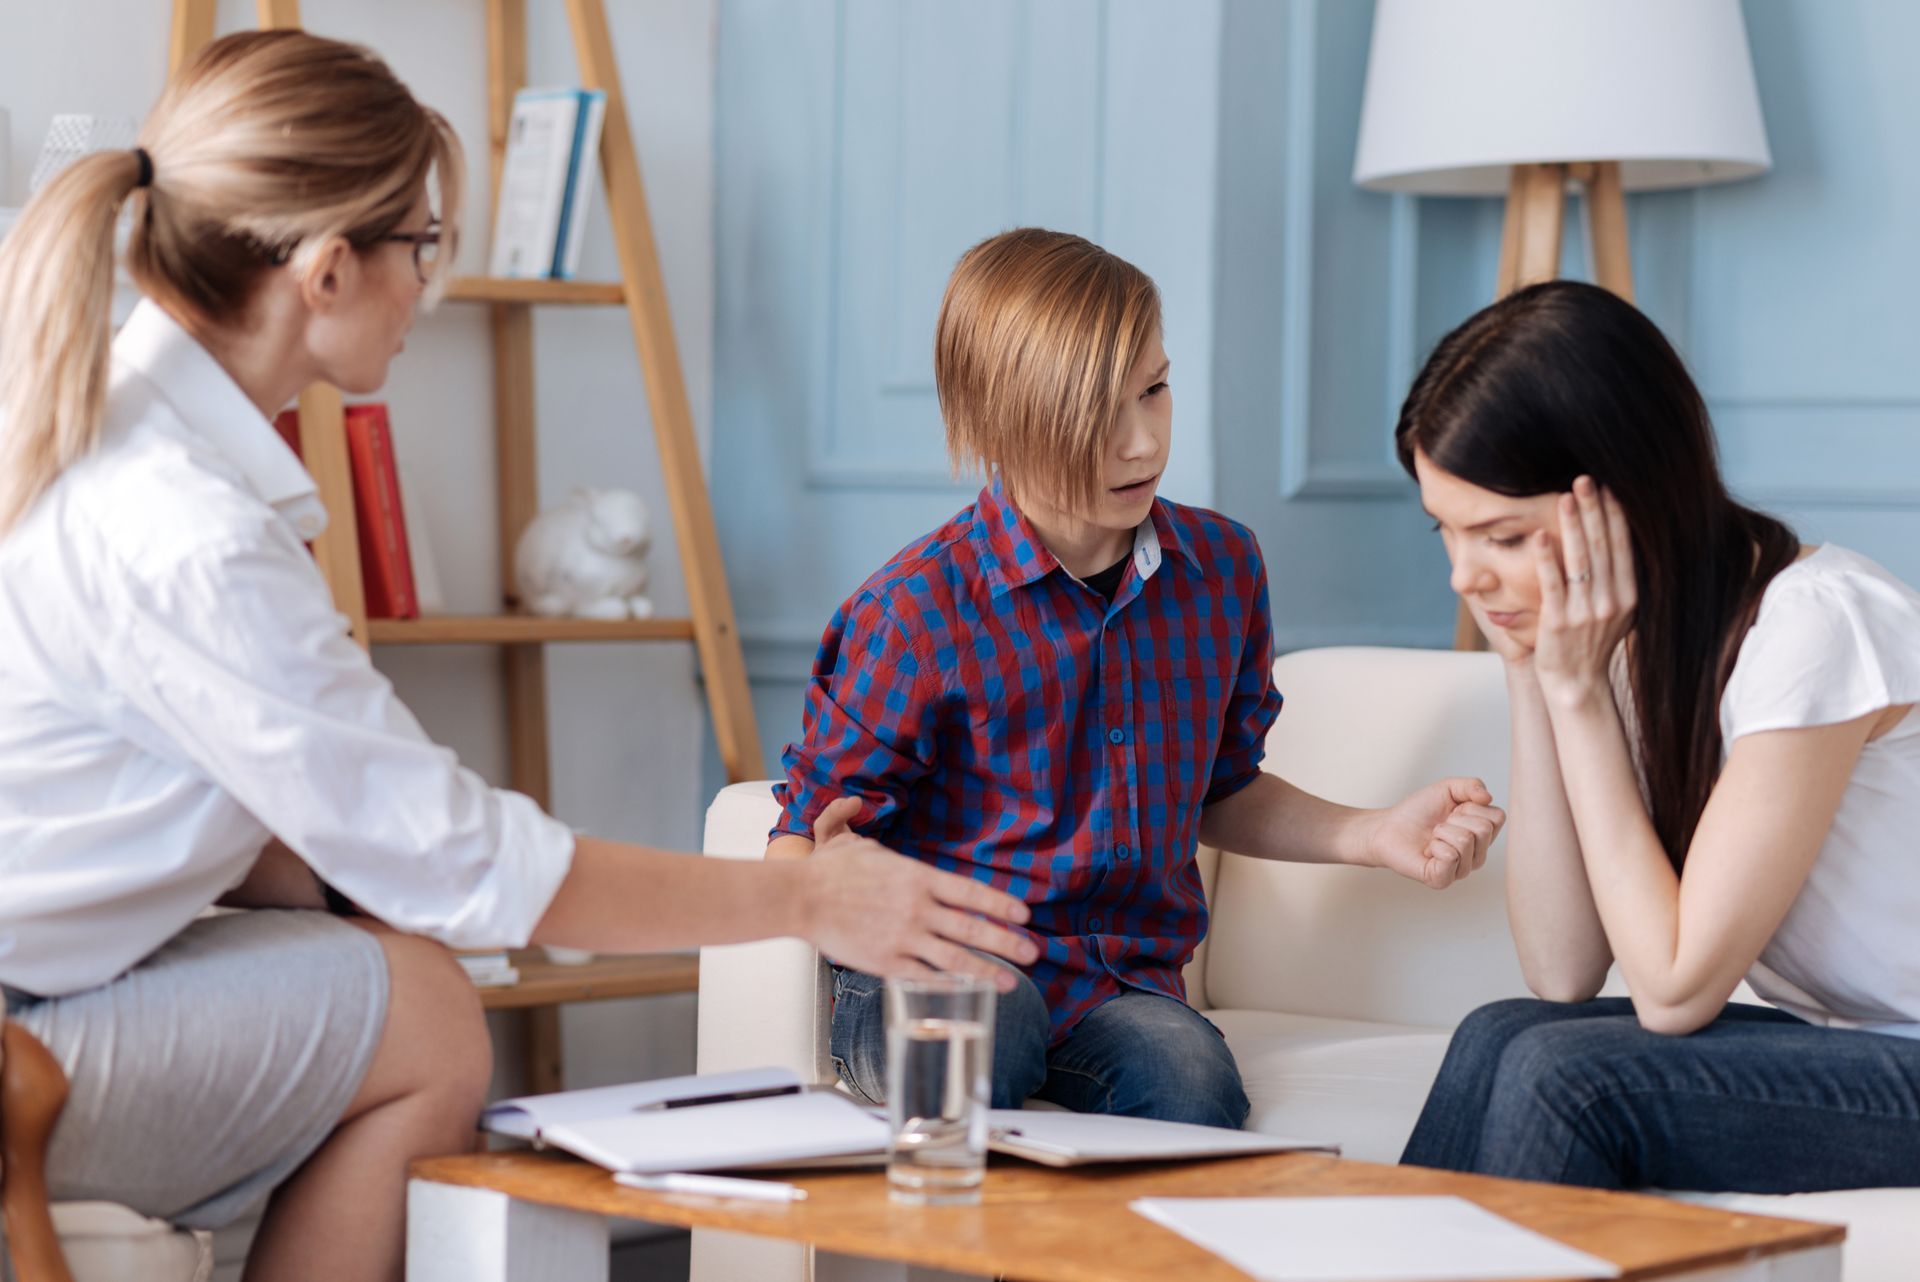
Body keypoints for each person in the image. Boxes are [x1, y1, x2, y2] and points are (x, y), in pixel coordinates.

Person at [0, 31, 1036, 1282]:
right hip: (24, 1028)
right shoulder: (191, 530)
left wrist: (372, 901)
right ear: (328, 272)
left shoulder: (119, 428)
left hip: (49, 980)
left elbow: (275, 817)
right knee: (428, 1018)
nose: (430, 288)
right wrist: (808, 898)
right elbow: (464, 860)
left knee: (395, 969)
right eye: (423, 246)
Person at [768, 228, 1505, 1128]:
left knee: (1189, 1083)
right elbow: (804, 835)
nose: (1143, 441)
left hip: (1116, 988)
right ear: (1001, 421)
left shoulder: (1222, 569)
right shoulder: (917, 610)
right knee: (990, 1027)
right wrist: (828, 871)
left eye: (1155, 388)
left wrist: (1375, 832)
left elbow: (1219, 790)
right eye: (1097, 413)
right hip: (934, 975)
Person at [1396, 279, 1920, 1193]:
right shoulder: (1647, 638)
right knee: (1503, 1031)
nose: (1464, 576)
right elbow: (1562, 969)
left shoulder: (1814, 624)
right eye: (1448, 532)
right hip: (1865, 1046)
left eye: (1503, 536)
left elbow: (1674, 990)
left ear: (1626, 495)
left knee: (1573, 1083)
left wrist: (1579, 696)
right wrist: (1533, 671)